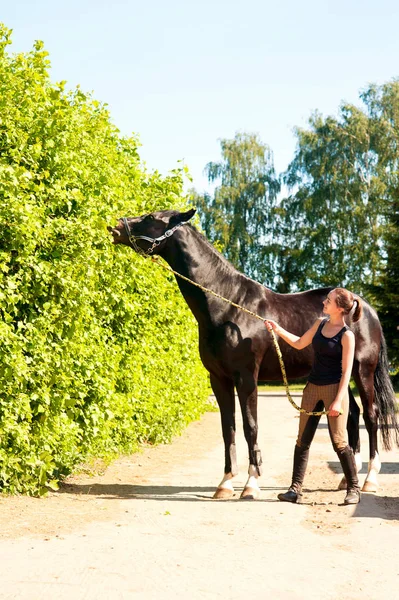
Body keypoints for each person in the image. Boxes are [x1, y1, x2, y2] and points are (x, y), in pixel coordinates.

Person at [265, 287, 363, 505]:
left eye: (328, 301)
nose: (324, 303)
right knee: (302, 441)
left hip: (334, 390)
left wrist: (338, 400)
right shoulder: (319, 323)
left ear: (339, 307)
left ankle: (354, 488)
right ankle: (294, 489)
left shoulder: (347, 335)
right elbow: (300, 343)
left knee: (339, 441)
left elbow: (347, 372)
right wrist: (278, 329)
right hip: (312, 389)